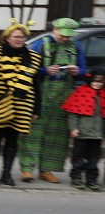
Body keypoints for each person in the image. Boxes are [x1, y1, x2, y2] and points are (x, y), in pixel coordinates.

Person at [20, 17, 86, 183]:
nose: (66, 38)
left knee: (56, 134)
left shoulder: (76, 46)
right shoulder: (40, 44)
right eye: (63, 34)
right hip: (41, 92)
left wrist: (77, 71)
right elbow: (28, 68)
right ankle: (27, 168)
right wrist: (44, 70)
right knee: (33, 131)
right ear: (54, 29)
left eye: (69, 36)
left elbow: (85, 69)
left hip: (64, 95)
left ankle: (46, 169)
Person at [0, 23, 40, 186]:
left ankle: (6, 174)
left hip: (22, 104)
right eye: (16, 37)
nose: (20, 40)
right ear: (7, 38)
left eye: (22, 37)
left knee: (13, 140)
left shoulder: (33, 57)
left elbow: (36, 84)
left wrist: (37, 109)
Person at [61, 72, 104, 191]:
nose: (97, 84)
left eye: (101, 82)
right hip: (82, 134)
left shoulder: (103, 95)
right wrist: (73, 128)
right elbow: (73, 114)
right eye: (95, 81)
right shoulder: (80, 92)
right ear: (90, 81)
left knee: (94, 159)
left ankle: (92, 180)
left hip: (97, 135)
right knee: (78, 158)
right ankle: (76, 177)